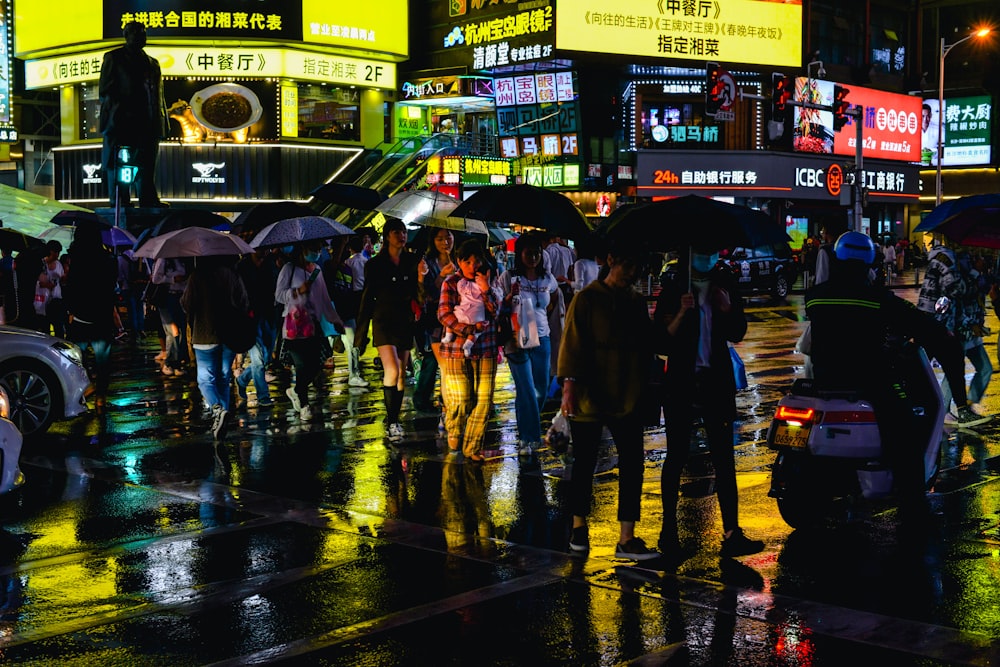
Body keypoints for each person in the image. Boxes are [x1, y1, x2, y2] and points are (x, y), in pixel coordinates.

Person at [806, 231, 985, 525]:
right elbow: (920, 324)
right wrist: (942, 337)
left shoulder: (816, 297)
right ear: (869, 264)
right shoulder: (876, 300)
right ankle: (913, 503)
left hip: (825, 379)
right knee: (905, 427)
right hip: (868, 380)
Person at [655, 248, 764, 561]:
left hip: (715, 383)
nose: (709, 254)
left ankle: (732, 532)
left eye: (713, 248)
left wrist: (727, 308)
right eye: (703, 248)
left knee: (724, 458)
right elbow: (660, 342)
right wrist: (680, 312)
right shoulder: (675, 285)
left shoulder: (724, 283)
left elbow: (739, 332)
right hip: (681, 383)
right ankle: (668, 531)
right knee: (675, 456)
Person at [559, 239, 659, 561]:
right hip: (590, 396)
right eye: (628, 266)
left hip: (627, 393)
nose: (633, 274)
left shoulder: (635, 301)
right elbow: (572, 343)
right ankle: (578, 525)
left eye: (638, 268)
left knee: (633, 464)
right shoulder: (586, 299)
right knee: (584, 464)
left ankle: (626, 537)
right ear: (612, 260)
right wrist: (569, 386)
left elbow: (647, 345)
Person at [355, 219, 427, 441]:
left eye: (404, 232)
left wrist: (421, 278)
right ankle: (393, 422)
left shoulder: (413, 261)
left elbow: (419, 296)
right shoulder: (375, 265)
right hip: (383, 320)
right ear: (387, 236)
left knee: (401, 378)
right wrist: (360, 335)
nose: (402, 235)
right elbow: (367, 298)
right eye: (397, 232)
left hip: (405, 321)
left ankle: (393, 417)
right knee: (393, 370)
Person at [494, 232, 558, 457]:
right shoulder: (508, 278)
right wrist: (510, 299)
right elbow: (497, 307)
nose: (533, 257)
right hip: (516, 339)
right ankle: (529, 439)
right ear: (519, 254)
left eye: (537, 253)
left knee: (539, 391)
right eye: (529, 252)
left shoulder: (547, 278)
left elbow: (553, 299)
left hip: (542, 337)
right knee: (527, 391)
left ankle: (526, 429)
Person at [437, 239, 500, 461]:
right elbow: (444, 314)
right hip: (455, 348)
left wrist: (485, 290)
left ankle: (472, 447)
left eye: (477, 260)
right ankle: (454, 429)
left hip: (486, 347)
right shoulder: (451, 283)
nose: (473, 265)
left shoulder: (489, 281)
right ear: (459, 262)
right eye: (467, 261)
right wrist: (470, 329)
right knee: (462, 398)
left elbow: (495, 311)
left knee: (484, 399)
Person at [98, 21, 169, 208]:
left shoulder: (153, 63)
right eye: (137, 33)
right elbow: (105, 89)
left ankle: (148, 198)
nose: (141, 37)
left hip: (148, 122)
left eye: (143, 33)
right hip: (122, 121)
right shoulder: (114, 58)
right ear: (127, 35)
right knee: (119, 163)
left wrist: (162, 122)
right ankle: (120, 199)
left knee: (146, 163)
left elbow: (158, 95)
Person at [181, 255, 251, 440]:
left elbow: (186, 304)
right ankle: (222, 418)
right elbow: (244, 302)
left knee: (205, 380)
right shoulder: (231, 274)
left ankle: (217, 409)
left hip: (204, 334)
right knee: (223, 377)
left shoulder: (197, 276)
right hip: (229, 334)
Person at [275, 240, 345, 422]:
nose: (317, 252)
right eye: (313, 248)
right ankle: (304, 405)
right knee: (302, 366)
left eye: (319, 249)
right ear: (303, 249)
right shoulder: (289, 269)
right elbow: (279, 294)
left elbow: (324, 298)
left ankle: (297, 390)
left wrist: (335, 320)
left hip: (313, 327)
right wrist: (297, 291)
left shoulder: (317, 271)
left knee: (314, 365)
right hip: (293, 327)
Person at [62, 225, 117, 412]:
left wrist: (70, 310)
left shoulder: (76, 260)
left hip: (80, 318)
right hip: (101, 317)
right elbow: (110, 288)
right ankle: (101, 395)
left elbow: (70, 288)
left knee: (78, 358)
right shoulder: (109, 260)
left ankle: (87, 386)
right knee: (103, 360)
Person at [413, 228, 456, 412]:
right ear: (433, 241)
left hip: (456, 319)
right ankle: (426, 398)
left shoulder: (460, 261)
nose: (445, 242)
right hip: (435, 319)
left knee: (450, 361)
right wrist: (440, 276)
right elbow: (426, 295)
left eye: (448, 237)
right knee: (437, 361)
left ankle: (444, 397)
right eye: (439, 238)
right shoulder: (428, 263)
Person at [235, 247, 279, 408]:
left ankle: (242, 379)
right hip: (249, 318)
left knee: (266, 357)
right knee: (259, 358)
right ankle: (263, 395)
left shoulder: (270, 264)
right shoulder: (242, 267)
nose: (263, 252)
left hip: (268, 315)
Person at [151, 257, 189, 376]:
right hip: (167, 298)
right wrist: (172, 279)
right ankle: (170, 362)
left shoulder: (185, 260)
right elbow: (155, 279)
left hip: (181, 297)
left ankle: (177, 362)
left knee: (181, 331)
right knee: (173, 332)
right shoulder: (164, 260)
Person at [341, 234, 371, 387]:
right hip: (363, 297)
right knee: (359, 331)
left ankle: (354, 370)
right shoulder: (367, 262)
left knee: (353, 335)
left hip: (351, 298)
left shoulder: (348, 262)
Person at [35, 240, 65, 337]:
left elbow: (62, 280)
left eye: (58, 252)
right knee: (45, 327)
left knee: (58, 327)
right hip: (43, 300)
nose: (57, 255)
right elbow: (38, 283)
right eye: (55, 252)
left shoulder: (58, 265)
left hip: (56, 299)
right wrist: (47, 285)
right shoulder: (40, 264)